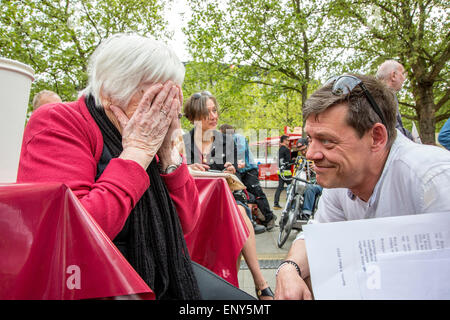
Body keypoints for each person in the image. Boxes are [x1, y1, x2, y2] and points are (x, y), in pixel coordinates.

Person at [17, 34, 202, 300]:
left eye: (171, 96)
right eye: (156, 96)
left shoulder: (149, 134)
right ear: (110, 91)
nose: (165, 109)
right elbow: (70, 235)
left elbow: (186, 222)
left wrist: (168, 154)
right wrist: (137, 153)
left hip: (158, 273)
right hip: (86, 283)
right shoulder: (58, 121)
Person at [275, 74, 450, 300]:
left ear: (376, 137)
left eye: (327, 140)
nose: (310, 154)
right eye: (310, 139)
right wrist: (289, 269)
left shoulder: (433, 179)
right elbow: (319, 237)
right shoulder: (341, 177)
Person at [183, 91, 274, 300]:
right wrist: (187, 167)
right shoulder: (183, 141)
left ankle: (260, 282)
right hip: (196, 199)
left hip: (228, 196)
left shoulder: (226, 141)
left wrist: (232, 169)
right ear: (194, 117)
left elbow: (236, 174)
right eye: (207, 112)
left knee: (240, 213)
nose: (214, 116)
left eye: (215, 110)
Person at [219, 124, 276, 230]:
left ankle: (269, 218)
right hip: (239, 171)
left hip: (249, 170)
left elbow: (240, 152)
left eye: (221, 133)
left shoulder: (238, 137)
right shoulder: (226, 143)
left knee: (258, 194)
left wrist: (234, 161)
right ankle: (250, 219)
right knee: (241, 194)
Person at [376, 60, 414, 141]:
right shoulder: (386, 96)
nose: (404, 79)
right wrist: (412, 139)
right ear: (393, 75)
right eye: (402, 74)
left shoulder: (375, 94)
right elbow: (394, 130)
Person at [295, 138, 322, 217]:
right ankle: (292, 211)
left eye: (304, 149)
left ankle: (306, 213)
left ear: (308, 145)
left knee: (310, 188)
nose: (303, 152)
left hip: (320, 184)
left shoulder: (318, 156)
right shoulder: (302, 159)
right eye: (301, 151)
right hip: (306, 183)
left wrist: (316, 168)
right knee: (291, 187)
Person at [273, 135, 292, 210]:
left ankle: (276, 203)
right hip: (286, 172)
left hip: (280, 171)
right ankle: (290, 204)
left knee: (280, 188)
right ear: (284, 140)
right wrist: (294, 160)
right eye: (288, 140)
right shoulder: (286, 150)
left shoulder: (280, 149)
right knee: (291, 187)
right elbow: (288, 161)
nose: (289, 142)